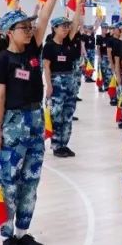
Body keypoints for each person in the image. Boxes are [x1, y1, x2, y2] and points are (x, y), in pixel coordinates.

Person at [0, 0, 64, 245]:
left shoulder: (33, 49)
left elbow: (44, 18)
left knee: (31, 180)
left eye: (30, 27)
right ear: (10, 32)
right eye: (23, 27)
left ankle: (22, 232)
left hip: (35, 121)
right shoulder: (2, 60)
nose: (30, 30)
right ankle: (7, 235)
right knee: (9, 181)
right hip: (13, 123)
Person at [43, 12, 83, 158]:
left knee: (68, 114)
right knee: (56, 115)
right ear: (54, 28)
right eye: (63, 26)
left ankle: (64, 144)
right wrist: (49, 85)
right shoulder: (49, 46)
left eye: (67, 26)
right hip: (56, 83)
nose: (66, 29)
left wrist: (78, 7)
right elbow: (46, 67)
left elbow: (75, 24)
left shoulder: (68, 43)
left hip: (70, 82)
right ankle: (56, 145)